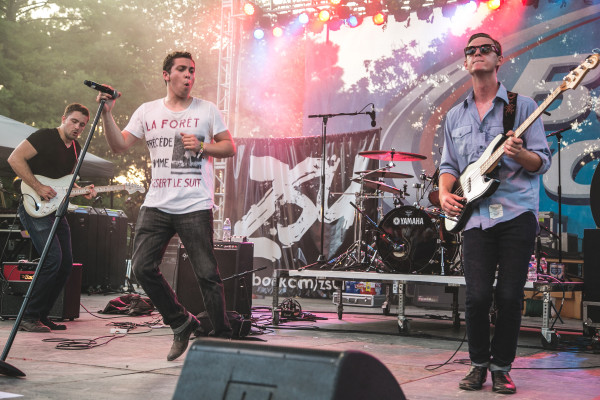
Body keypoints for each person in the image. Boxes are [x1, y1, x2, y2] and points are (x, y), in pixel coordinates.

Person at [96, 51, 235, 361]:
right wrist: (106, 113)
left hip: (194, 203)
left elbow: (229, 147)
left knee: (207, 274)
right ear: (166, 74)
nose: (189, 75)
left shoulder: (207, 110)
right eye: (182, 69)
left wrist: (203, 146)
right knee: (142, 267)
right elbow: (119, 145)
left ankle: (222, 337)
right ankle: (181, 321)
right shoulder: (148, 111)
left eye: (192, 70)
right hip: (157, 203)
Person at [439, 33, 551, 394]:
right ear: (465, 63)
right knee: (476, 297)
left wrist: (519, 154)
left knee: (508, 296)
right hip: (474, 217)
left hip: (516, 214)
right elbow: (449, 166)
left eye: (485, 49)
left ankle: (501, 367)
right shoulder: (455, 115)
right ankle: (478, 366)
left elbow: (541, 162)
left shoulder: (523, 107)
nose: (477, 54)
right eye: (471, 51)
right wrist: (444, 192)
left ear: (499, 58)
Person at [7, 103, 96, 332]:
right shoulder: (44, 136)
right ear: (64, 118)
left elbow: (65, 182)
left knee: (65, 265)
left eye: (82, 125)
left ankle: (41, 315)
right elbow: (14, 159)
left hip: (56, 209)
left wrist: (83, 191)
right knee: (52, 259)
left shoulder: (75, 148)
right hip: (34, 206)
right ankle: (28, 316)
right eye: (74, 121)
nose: (77, 127)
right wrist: (38, 186)